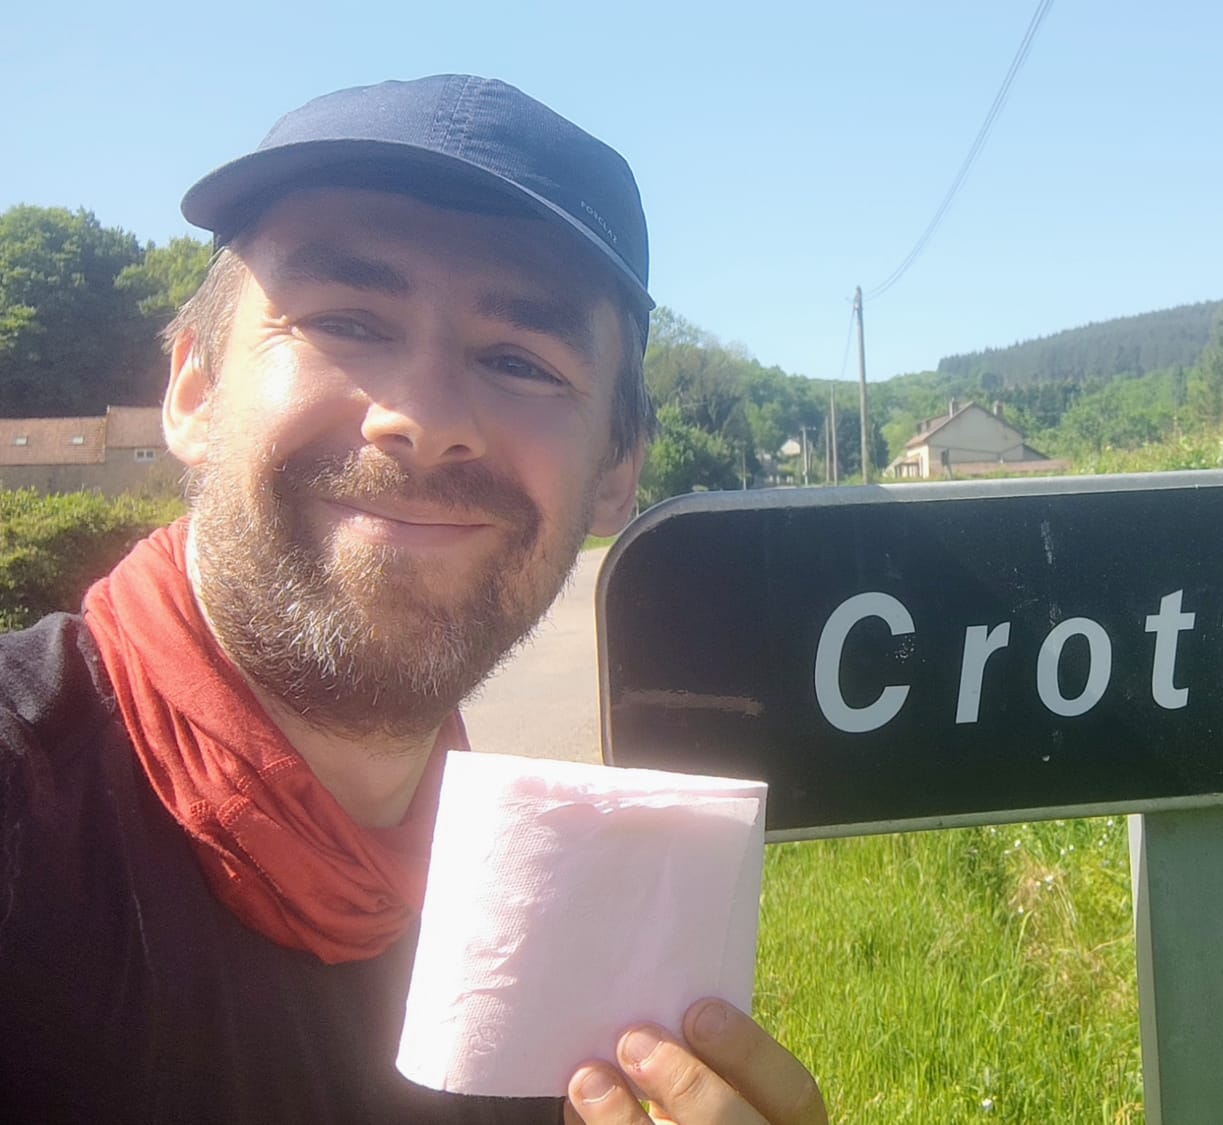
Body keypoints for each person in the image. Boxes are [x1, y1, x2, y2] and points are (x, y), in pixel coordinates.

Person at [0, 75, 827, 1125]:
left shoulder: (561, 937)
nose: (425, 420)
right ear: (195, 388)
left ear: (616, 467)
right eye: (345, 320)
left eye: (521, 360)